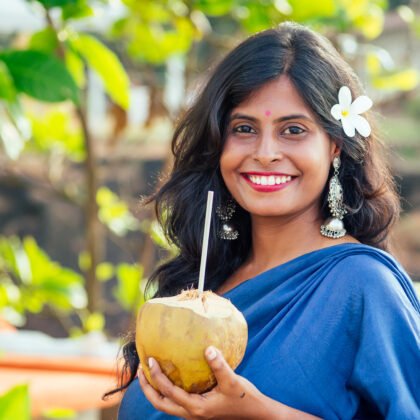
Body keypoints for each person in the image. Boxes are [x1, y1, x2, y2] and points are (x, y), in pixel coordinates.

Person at [107, 22, 420, 419]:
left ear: (335, 146)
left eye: (293, 130)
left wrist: (258, 412)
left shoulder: (362, 287)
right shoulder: (204, 285)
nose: (266, 152)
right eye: (244, 129)